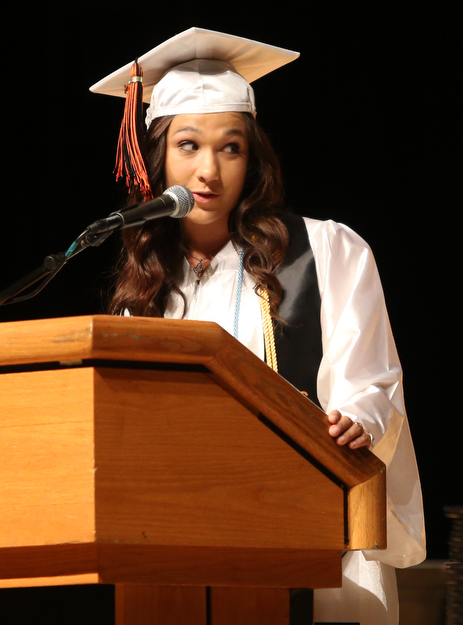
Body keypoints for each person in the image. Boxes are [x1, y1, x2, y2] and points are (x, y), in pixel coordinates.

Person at [90, 27, 426, 625]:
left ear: (254, 156)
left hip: (317, 523)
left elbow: (373, 380)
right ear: (159, 155)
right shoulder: (142, 291)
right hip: (178, 535)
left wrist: (359, 419)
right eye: (188, 145)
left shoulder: (326, 251)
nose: (209, 171)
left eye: (231, 147)